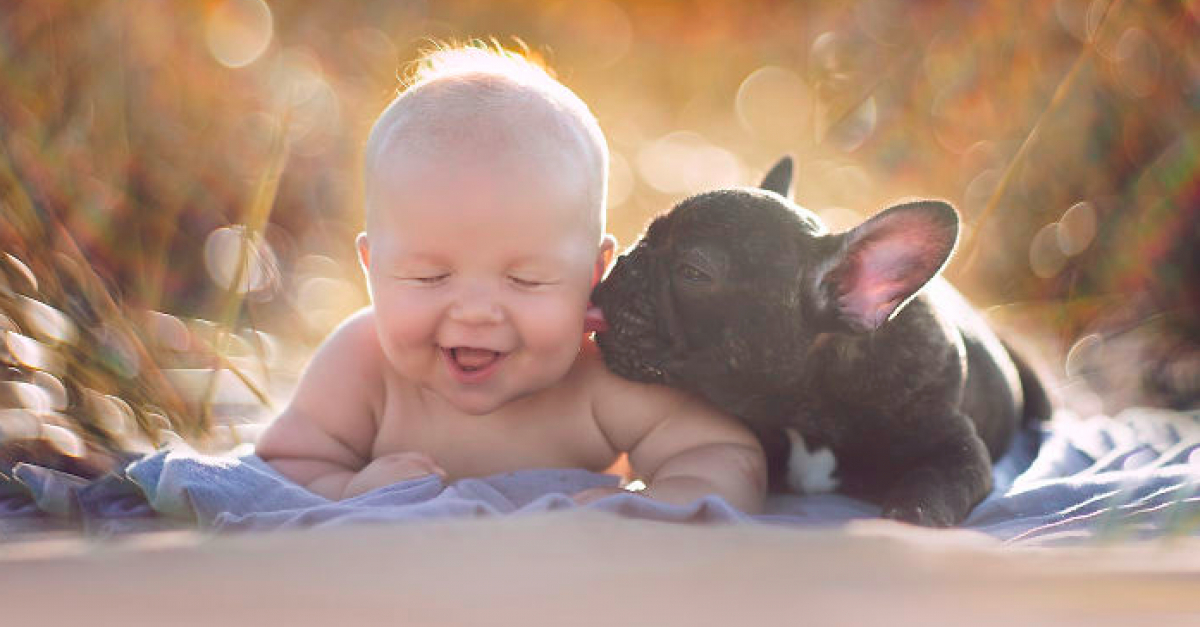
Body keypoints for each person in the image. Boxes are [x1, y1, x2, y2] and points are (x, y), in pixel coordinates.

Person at [255, 44, 766, 513]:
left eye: (526, 279)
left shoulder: (598, 377)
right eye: (431, 276)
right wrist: (346, 491)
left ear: (593, 274)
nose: (476, 311)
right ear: (372, 269)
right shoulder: (362, 366)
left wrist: (663, 502)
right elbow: (283, 468)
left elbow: (721, 453)